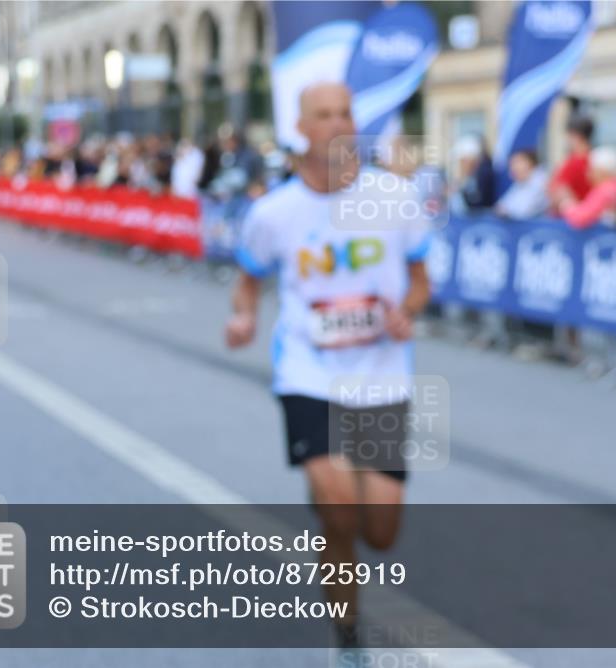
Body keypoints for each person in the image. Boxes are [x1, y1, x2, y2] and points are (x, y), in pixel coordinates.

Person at [224, 82, 431, 652]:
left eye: (346, 113)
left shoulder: (395, 197)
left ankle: (332, 495)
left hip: (383, 376)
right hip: (308, 374)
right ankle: (347, 636)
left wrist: (406, 313)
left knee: (381, 534)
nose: (339, 124)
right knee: (339, 507)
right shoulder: (274, 213)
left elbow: (420, 281)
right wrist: (243, 319)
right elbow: (248, 284)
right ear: (302, 127)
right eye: (325, 115)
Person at [555, 145, 616, 229]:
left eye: (592, 169)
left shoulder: (606, 190)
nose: (588, 173)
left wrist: (565, 202)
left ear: (602, 171)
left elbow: (581, 218)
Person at [548, 114, 594, 209]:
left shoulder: (574, 162)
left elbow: (559, 192)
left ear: (574, 135)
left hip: (569, 219)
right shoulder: (594, 159)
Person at [495, 149, 549, 220]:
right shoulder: (520, 182)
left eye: (517, 162)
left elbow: (524, 212)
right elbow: (500, 206)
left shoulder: (541, 181)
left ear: (530, 163)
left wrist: (506, 211)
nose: (513, 168)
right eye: (511, 164)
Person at [452, 134, 496, 212]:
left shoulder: (483, 173)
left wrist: (458, 192)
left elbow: (479, 204)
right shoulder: (473, 175)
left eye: (463, 161)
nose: (461, 165)